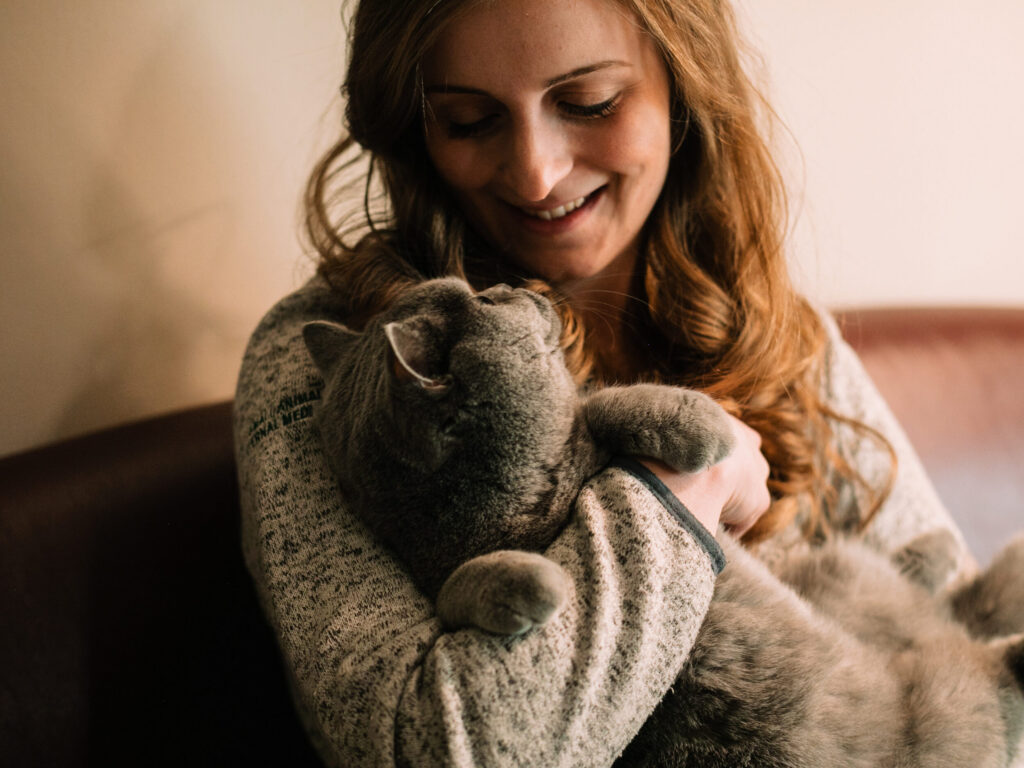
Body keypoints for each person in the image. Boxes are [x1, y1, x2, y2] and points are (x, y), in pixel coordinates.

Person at [234, 0, 973, 765]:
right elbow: (432, 750)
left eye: (590, 103)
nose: (537, 172)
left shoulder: (774, 326)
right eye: (468, 120)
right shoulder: (338, 360)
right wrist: (679, 492)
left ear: (685, 82)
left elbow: (965, 632)